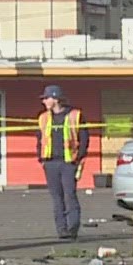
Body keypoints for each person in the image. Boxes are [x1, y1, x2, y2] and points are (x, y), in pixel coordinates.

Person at [36, 85, 91, 241]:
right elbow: (39, 138)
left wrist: (78, 157)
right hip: (50, 163)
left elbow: (84, 138)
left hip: (68, 162)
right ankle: (62, 230)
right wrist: (41, 159)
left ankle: (72, 228)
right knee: (56, 197)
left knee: (69, 195)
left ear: (56, 98)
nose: (44, 101)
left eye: (47, 98)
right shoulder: (43, 118)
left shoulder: (75, 115)